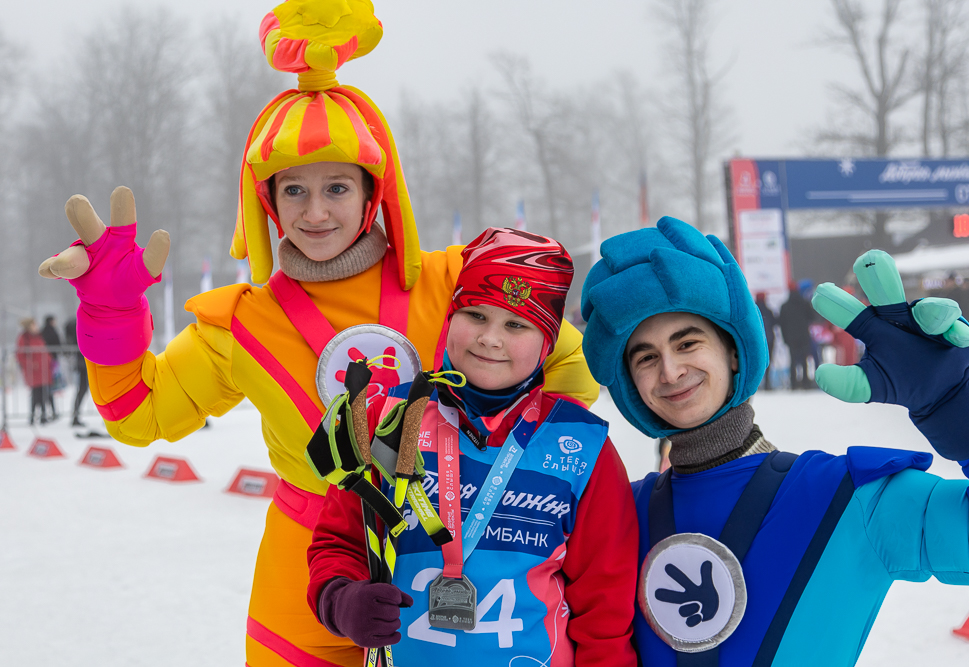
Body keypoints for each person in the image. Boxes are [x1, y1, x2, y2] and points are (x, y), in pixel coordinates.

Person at [36, 3, 597, 666]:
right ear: (266, 200)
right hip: (301, 587)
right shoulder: (240, 323)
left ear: (373, 190)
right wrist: (112, 313)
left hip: (461, 565)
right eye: (293, 190)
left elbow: (569, 364)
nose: (317, 210)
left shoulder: (454, 286)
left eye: (337, 185)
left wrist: (509, 478)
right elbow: (136, 413)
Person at [580, 216, 969, 666]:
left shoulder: (851, 498)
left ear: (735, 353)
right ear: (631, 385)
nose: (670, 371)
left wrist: (956, 403)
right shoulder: (617, 517)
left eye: (688, 343)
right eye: (646, 357)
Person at [307, 228, 639, 666]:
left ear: (548, 343)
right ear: (450, 319)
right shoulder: (384, 418)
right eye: (476, 315)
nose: (490, 339)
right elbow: (338, 544)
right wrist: (342, 600)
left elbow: (606, 609)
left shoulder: (582, 446)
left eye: (516, 324)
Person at [778, 280, 815, 390]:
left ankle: (794, 383)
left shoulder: (784, 306)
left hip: (791, 337)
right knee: (804, 360)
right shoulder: (804, 303)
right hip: (804, 336)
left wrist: (785, 338)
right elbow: (812, 317)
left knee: (793, 360)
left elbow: (782, 324)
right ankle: (806, 383)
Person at [16, 318, 53, 425]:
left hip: (43, 369)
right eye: (34, 324)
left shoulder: (38, 336)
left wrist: (49, 361)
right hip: (33, 371)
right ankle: (34, 416)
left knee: (42, 392)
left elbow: (44, 350)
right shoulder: (24, 338)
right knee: (36, 393)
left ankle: (42, 415)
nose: (36, 326)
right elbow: (20, 354)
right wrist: (30, 364)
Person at [64, 317, 89, 427]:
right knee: (84, 391)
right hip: (87, 363)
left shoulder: (75, 325)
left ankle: (75, 416)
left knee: (82, 391)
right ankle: (75, 416)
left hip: (83, 363)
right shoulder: (80, 325)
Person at [40, 314, 62, 418]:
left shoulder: (42, 332)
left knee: (46, 387)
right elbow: (58, 344)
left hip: (43, 362)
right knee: (50, 386)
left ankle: (47, 411)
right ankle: (51, 411)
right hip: (51, 362)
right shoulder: (52, 331)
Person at [753, 293, 776, 390]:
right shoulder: (768, 311)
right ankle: (767, 383)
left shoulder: (752, 311)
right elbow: (775, 323)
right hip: (769, 339)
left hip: (756, 341)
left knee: (756, 363)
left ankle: (756, 384)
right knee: (768, 363)